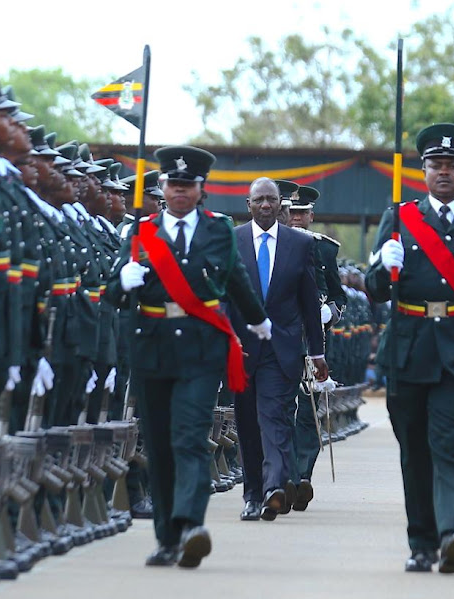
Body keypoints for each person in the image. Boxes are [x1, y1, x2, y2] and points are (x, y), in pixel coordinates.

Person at [105, 145, 270, 568]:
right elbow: (112, 296)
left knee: (190, 436)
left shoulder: (218, 229)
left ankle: (192, 524)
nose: (179, 192)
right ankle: (167, 537)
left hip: (200, 346)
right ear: (162, 188)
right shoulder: (139, 233)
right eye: (172, 185)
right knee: (159, 445)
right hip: (152, 345)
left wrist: (258, 320)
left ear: (200, 190)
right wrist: (123, 281)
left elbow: (235, 278)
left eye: (187, 185)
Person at [366, 123, 454, 574]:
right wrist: (381, 268)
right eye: (435, 165)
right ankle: (422, 543)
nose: (443, 172)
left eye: (453, 165)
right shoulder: (398, 217)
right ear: (423, 170)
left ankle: (453, 534)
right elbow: (374, 290)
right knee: (416, 449)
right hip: (410, 343)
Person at [228, 177, 327, 522]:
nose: (266, 205)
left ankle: (273, 488)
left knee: (274, 418)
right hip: (242, 349)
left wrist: (317, 352)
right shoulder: (233, 240)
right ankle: (253, 494)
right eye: (260, 200)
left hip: (281, 347)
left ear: (281, 204)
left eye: (272, 200)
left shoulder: (299, 244)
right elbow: (224, 297)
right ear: (249, 204)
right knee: (248, 424)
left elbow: (309, 302)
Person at [288, 184, 345, 508]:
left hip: (314, 340)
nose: (295, 218)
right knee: (280, 409)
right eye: (290, 212)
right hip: (281, 336)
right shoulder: (270, 245)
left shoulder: (324, 249)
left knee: (308, 411)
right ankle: (283, 476)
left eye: (301, 213)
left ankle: (302, 476)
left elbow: (338, 293)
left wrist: (331, 312)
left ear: (311, 216)